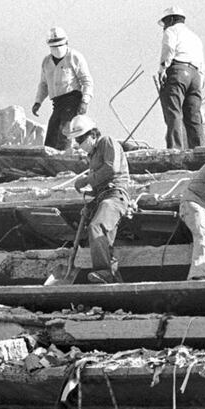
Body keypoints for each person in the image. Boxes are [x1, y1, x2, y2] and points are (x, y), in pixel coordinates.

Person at [65, 115, 131, 284]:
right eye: (77, 140)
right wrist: (90, 200)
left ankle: (104, 272)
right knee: (103, 238)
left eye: (81, 139)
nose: (79, 143)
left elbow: (111, 169)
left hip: (115, 195)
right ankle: (113, 277)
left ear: (93, 134)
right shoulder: (92, 155)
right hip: (104, 197)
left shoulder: (106, 142)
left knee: (97, 226)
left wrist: (87, 179)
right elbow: (99, 183)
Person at [32, 27, 94, 151]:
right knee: (51, 135)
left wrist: (84, 101)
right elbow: (44, 84)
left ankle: (64, 156)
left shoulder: (74, 57)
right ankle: (50, 158)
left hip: (72, 101)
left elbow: (87, 81)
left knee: (65, 134)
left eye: (59, 45)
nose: (57, 48)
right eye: (54, 46)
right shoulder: (47, 62)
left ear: (66, 42)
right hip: (57, 104)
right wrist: (38, 102)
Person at [157, 6, 205, 149]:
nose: (164, 26)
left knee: (174, 112)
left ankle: (175, 149)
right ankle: (200, 150)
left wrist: (163, 68)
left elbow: (168, 49)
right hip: (195, 76)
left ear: (171, 19)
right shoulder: (195, 37)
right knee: (194, 116)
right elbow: (202, 64)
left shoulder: (171, 31)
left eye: (165, 22)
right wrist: (199, 81)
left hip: (178, 71)